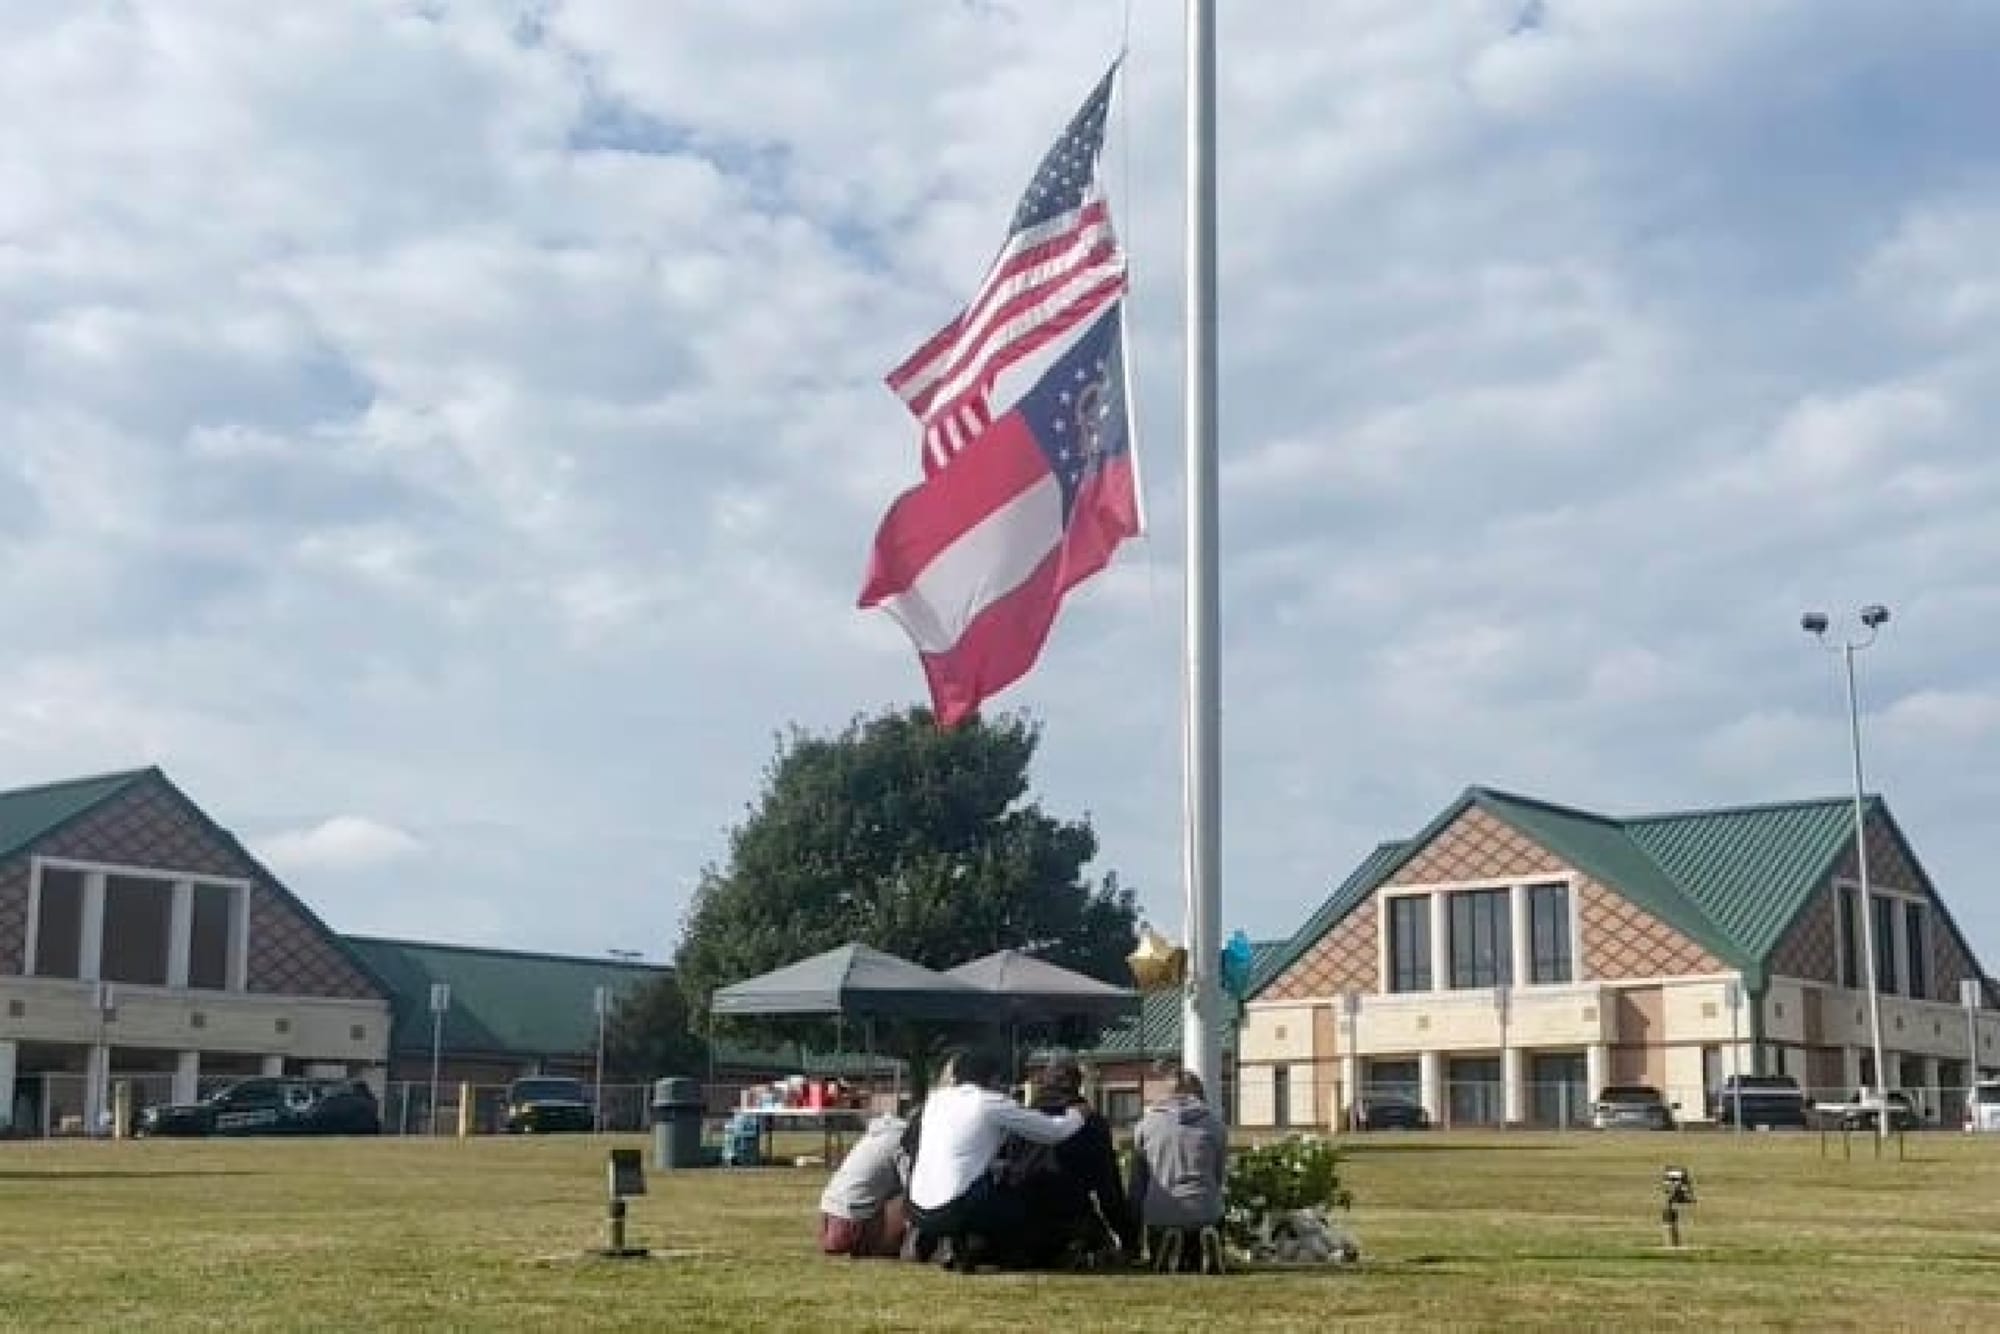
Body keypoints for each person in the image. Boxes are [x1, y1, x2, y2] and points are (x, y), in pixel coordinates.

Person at [905, 1046, 1086, 1270]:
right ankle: (993, 1253)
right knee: (1022, 1206)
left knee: (977, 1181)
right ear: (992, 1078)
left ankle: (949, 1244)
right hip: (956, 1208)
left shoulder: (936, 1101)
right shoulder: (989, 1103)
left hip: (917, 1208)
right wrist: (1078, 1114)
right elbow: (1052, 1132)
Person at [995, 1054, 1134, 1267]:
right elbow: (1108, 1189)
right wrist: (1127, 1237)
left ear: (1044, 1081)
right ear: (1076, 1084)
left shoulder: (1020, 1119)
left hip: (1021, 1220)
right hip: (1070, 1217)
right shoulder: (1092, 1123)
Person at [1127, 1069, 1228, 1268]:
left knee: (1162, 1221)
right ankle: (1203, 1248)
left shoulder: (1145, 1126)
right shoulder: (1216, 1125)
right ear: (1199, 1095)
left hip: (1160, 1213)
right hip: (1204, 1209)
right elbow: (1218, 1177)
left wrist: (1132, 1238)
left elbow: (1138, 1185)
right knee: (1208, 1209)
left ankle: (1167, 1249)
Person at [817, 1113, 911, 1259]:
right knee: (907, 1199)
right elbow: (913, 1188)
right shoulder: (903, 1141)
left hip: (827, 1222)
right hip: (851, 1225)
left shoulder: (872, 1137)